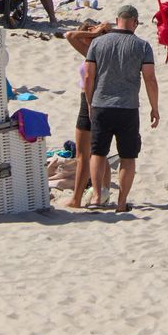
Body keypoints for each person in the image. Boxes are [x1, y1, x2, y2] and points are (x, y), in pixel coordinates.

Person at [81, 4, 159, 213]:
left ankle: (97, 197)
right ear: (134, 22)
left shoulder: (98, 43)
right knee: (127, 156)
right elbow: (150, 79)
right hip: (128, 108)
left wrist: (89, 102)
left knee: (98, 153)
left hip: (101, 105)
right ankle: (122, 203)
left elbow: (88, 77)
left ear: (117, 20)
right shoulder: (142, 46)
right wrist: (154, 107)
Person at [65, 21, 115, 207]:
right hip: (96, 101)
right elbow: (72, 35)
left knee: (84, 155)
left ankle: (76, 199)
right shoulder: (98, 50)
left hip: (91, 102)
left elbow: (70, 35)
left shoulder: (94, 51)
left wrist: (95, 34)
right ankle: (103, 192)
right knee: (99, 152)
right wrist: (96, 33)